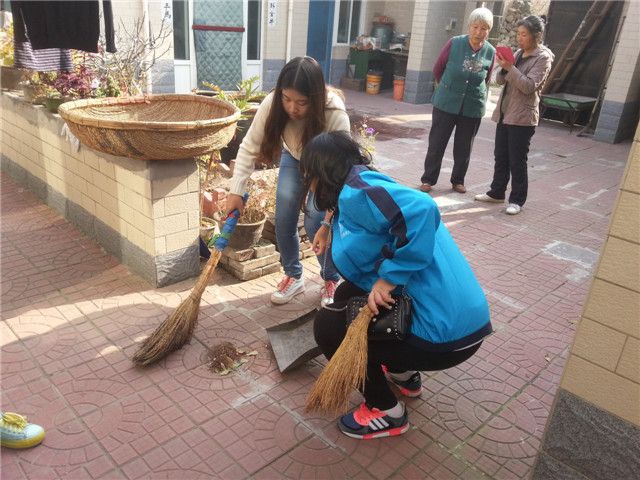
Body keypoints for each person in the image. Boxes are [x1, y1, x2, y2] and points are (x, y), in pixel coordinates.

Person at [301, 132, 492, 440]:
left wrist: (389, 278)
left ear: (320, 173)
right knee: (348, 294)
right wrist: (326, 226)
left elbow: (423, 208)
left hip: (442, 336)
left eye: (307, 174)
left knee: (328, 327)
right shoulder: (360, 184)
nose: (306, 183)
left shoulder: (357, 193)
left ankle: (386, 410)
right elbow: (355, 213)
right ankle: (404, 374)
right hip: (465, 325)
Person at [225, 57, 350, 307]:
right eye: (287, 98)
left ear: (315, 98)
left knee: (316, 223)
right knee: (283, 219)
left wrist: (328, 219)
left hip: (325, 171)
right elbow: (249, 146)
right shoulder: (273, 103)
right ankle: (294, 275)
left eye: (301, 102)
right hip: (293, 158)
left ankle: (330, 277)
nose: (292, 108)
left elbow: (342, 171)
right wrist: (236, 191)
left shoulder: (334, 113)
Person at [475, 16, 554, 215]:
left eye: (524, 34)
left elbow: (528, 86)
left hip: (523, 118)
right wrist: (503, 68)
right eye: (518, 34)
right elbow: (501, 82)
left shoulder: (543, 58)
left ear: (536, 35)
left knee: (517, 160)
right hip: (505, 113)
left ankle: (517, 200)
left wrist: (510, 68)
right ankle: (496, 192)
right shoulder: (518, 53)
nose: (519, 38)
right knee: (500, 156)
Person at [419, 7, 496, 194]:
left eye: (484, 28)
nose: (479, 32)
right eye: (476, 27)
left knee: (464, 147)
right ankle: (428, 179)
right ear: (469, 27)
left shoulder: (490, 51)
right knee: (437, 143)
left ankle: (458, 180)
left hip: (472, 106)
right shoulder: (454, 43)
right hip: (446, 103)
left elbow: (487, 78)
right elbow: (438, 69)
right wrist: (447, 89)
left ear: (489, 30)